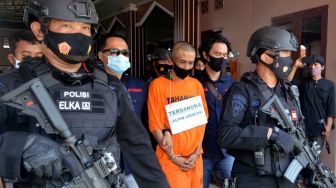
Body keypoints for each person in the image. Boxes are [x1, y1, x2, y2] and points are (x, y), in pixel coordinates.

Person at [0, 0, 169, 188]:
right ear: (40, 30)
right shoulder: (12, 85)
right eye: (67, 25)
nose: (79, 35)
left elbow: (139, 149)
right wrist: (20, 145)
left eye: (85, 27)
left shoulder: (110, 87)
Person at [217, 26, 300, 188]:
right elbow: (225, 135)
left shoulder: (290, 91)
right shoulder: (242, 90)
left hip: (286, 176)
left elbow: (298, 128)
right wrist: (270, 134)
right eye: (285, 54)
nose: (290, 60)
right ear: (266, 58)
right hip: (254, 176)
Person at [147, 41, 208, 188]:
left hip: (195, 158)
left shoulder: (196, 85)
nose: (186, 67)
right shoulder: (157, 85)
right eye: (182, 62)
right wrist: (173, 157)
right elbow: (155, 125)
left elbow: (202, 122)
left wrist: (196, 153)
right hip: (170, 159)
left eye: (190, 63)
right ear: (171, 60)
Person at [97, 33, 147, 188]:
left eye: (125, 53)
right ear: (101, 55)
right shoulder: (91, 86)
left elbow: (145, 122)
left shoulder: (139, 84)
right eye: (114, 52)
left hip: (133, 165)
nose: (121, 56)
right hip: (103, 167)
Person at [197, 34, 235, 188]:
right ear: (206, 55)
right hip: (202, 151)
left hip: (227, 151)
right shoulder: (194, 82)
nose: (222, 59)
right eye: (218, 54)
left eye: (225, 55)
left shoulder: (232, 83)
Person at [287, 54, 335, 148]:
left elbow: (331, 107)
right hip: (302, 128)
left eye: (316, 65)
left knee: (314, 158)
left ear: (322, 67)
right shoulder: (303, 82)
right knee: (301, 158)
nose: (313, 67)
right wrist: (296, 65)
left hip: (319, 129)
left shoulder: (329, 85)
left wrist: (329, 126)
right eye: (310, 65)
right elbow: (287, 81)